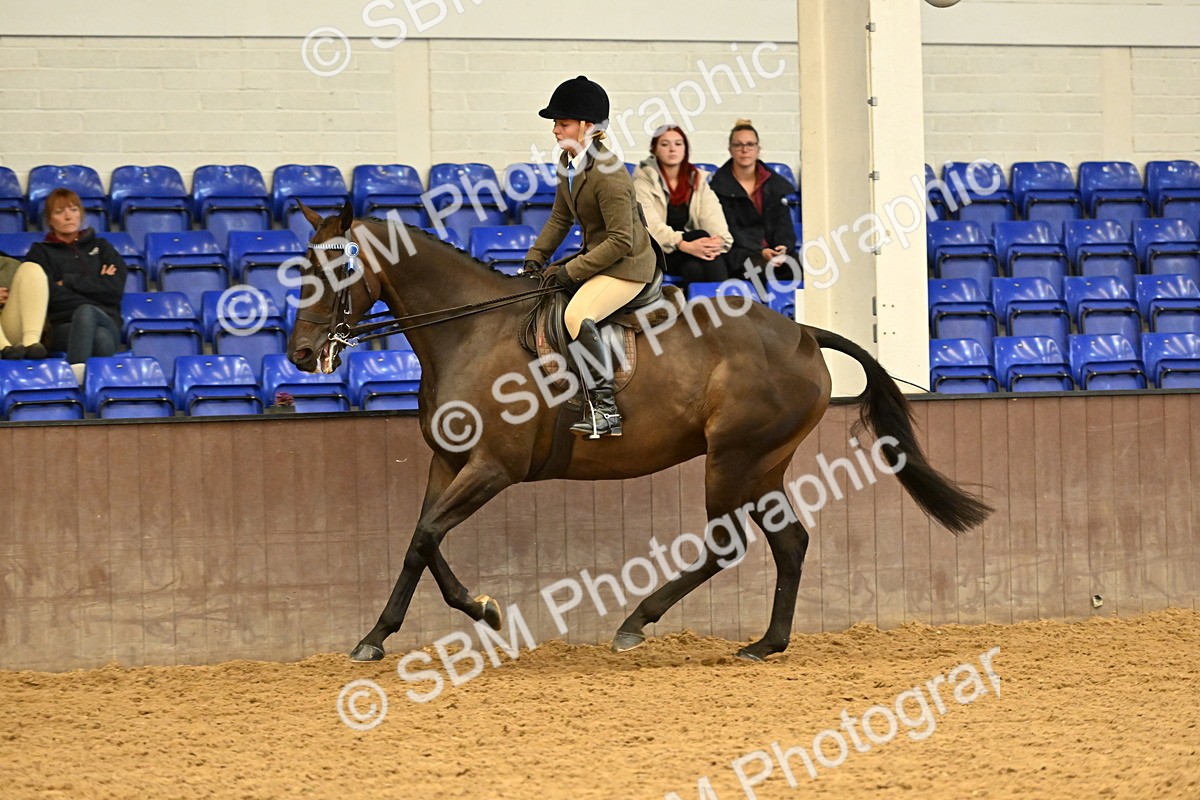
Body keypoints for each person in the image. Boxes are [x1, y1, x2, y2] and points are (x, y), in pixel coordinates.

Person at [522, 76, 657, 439]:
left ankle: (604, 408)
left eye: (562, 123)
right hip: (601, 257)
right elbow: (560, 218)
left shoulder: (609, 173)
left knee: (578, 314)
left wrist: (571, 271)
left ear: (587, 127)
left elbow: (621, 240)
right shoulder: (568, 162)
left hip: (628, 265)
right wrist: (535, 258)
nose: (554, 130)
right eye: (555, 123)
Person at [26, 188, 127, 379]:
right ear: (49, 220)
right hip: (62, 326)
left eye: (73, 209)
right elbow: (50, 297)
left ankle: (73, 383)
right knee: (99, 337)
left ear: (80, 213)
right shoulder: (39, 253)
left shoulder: (102, 247)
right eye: (59, 212)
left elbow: (114, 290)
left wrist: (69, 282)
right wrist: (98, 286)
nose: (67, 216)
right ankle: (96, 393)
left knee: (94, 320)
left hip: (107, 321)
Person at [632, 124, 732, 292]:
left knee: (694, 267)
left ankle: (696, 314)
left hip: (691, 254)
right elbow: (651, 227)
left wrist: (717, 240)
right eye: (665, 144)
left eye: (678, 144)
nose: (672, 149)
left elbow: (712, 214)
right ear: (654, 150)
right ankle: (723, 309)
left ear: (685, 149)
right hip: (656, 251)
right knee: (700, 236)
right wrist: (683, 244)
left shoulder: (697, 179)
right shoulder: (642, 182)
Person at [709, 119, 798, 285]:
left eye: (750, 144)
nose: (744, 150)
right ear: (730, 150)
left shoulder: (776, 184)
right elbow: (730, 230)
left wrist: (783, 247)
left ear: (758, 149)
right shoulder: (718, 187)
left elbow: (784, 224)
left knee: (801, 267)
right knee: (759, 270)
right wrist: (761, 251)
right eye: (738, 145)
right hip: (739, 252)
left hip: (774, 251)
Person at [0, 251, 50, 360]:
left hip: (9, 334)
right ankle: (2, 348)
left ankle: (31, 345)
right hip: (2, 345)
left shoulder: (10, 265)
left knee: (31, 269)